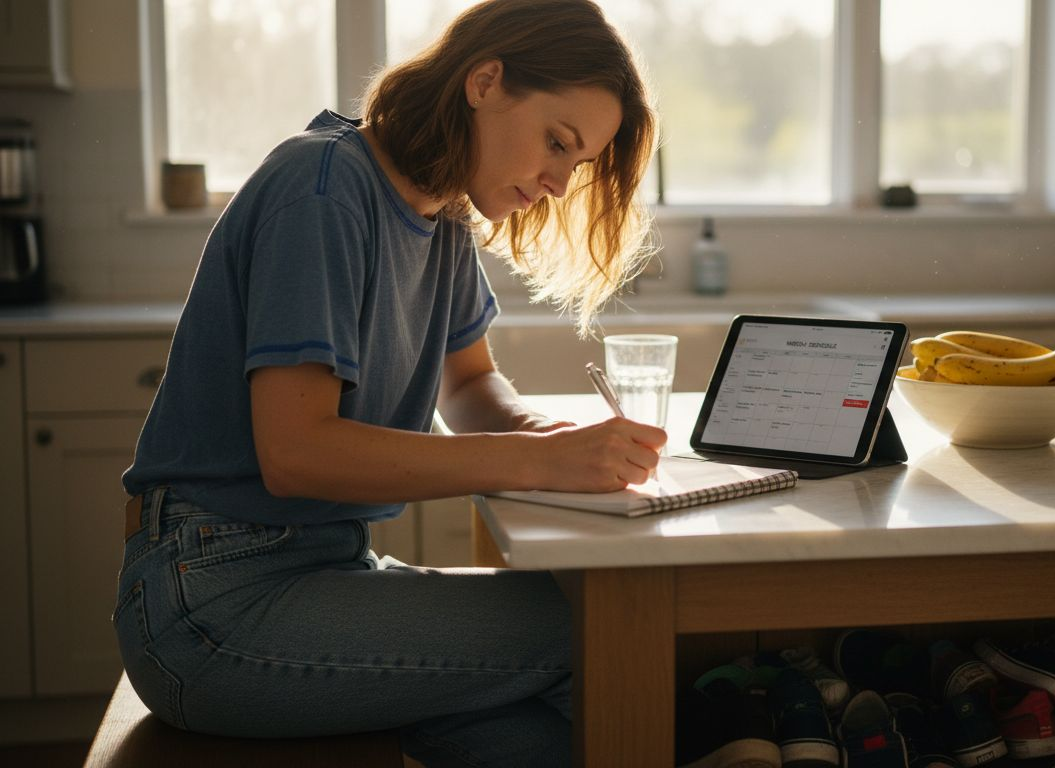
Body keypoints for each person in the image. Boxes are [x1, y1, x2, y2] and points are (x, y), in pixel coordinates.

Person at [115, 1, 664, 765]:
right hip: (213, 601)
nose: (558, 182)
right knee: (603, 630)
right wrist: (541, 464)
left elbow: (471, 387)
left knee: (552, 739)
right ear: (485, 81)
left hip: (321, 568)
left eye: (576, 166)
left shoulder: (441, 218)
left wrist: (545, 435)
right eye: (557, 143)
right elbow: (298, 453)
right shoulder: (323, 188)